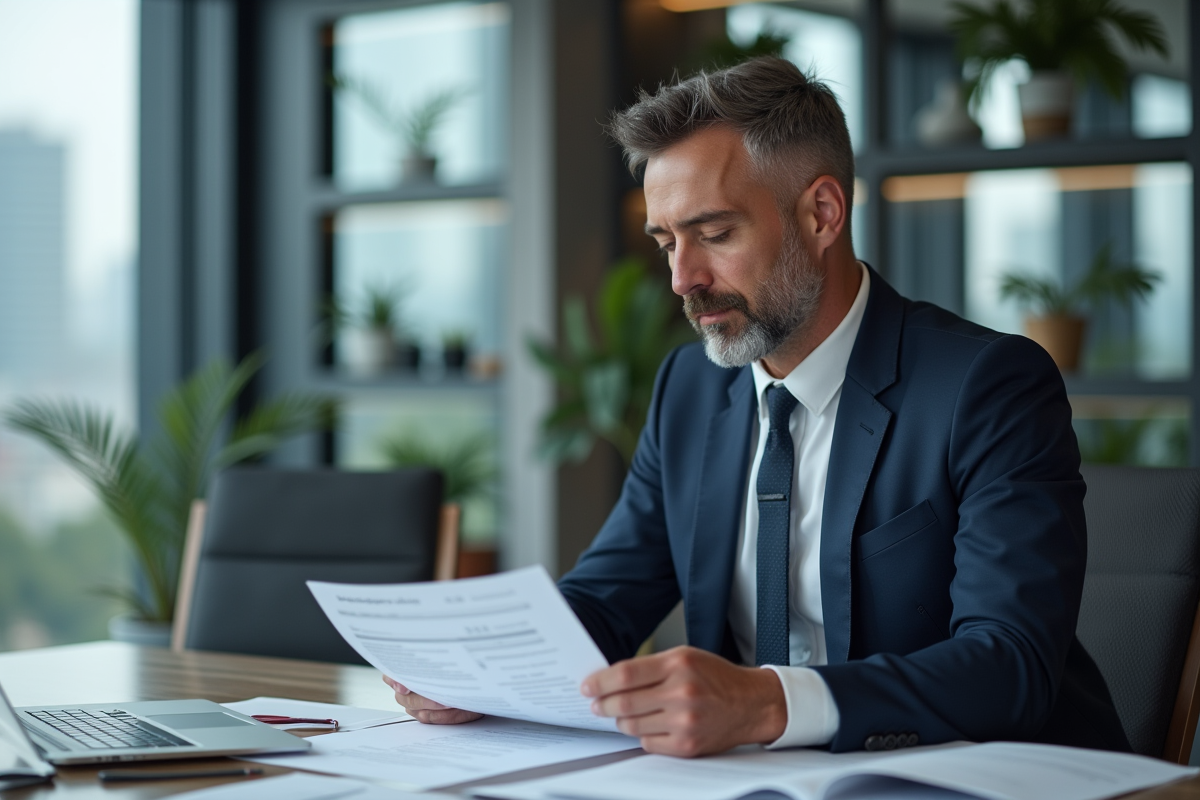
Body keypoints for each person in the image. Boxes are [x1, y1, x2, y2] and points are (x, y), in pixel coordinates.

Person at [385, 56, 1129, 758]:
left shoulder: (988, 385)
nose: (682, 279)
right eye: (666, 241)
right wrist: (480, 671)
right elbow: (608, 600)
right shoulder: (690, 387)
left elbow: (1009, 664)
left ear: (823, 213)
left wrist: (767, 704)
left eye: (714, 234)